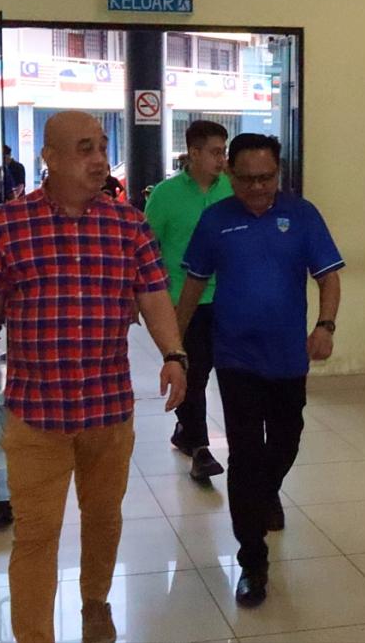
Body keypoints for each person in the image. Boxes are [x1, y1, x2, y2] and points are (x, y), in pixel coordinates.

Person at [0, 111, 187, 643]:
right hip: (37, 411)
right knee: (36, 534)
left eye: (102, 146)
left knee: (103, 517)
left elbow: (153, 294)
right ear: (50, 158)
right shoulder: (8, 224)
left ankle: (95, 602)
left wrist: (174, 353)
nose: (100, 159)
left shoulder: (128, 225)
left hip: (108, 407)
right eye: (85, 149)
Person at [176, 133, 343, 609]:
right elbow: (193, 284)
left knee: (287, 441)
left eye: (265, 178)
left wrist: (325, 326)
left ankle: (263, 494)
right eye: (246, 179)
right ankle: (252, 560)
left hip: (288, 357)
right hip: (236, 358)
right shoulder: (216, 220)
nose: (256, 188)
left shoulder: (302, 214)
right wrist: (175, 347)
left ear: (278, 173)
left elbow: (328, 276)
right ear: (230, 174)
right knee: (246, 455)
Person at [145, 120, 233, 481]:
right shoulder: (165, 195)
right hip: (183, 303)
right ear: (193, 153)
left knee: (227, 373)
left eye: (224, 151)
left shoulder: (232, 189)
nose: (222, 159)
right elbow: (147, 250)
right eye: (215, 152)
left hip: (228, 299)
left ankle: (185, 432)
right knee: (192, 375)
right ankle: (199, 448)